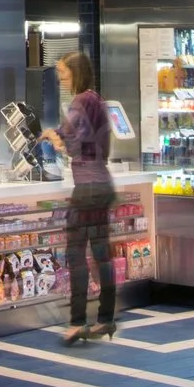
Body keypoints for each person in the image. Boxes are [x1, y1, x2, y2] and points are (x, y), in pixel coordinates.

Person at [43, 51, 118, 347]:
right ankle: (106, 317)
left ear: (75, 72)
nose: (61, 79)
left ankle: (76, 323)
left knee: (75, 254)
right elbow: (88, 141)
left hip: (87, 188)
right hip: (102, 185)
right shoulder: (96, 99)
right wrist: (58, 135)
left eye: (63, 73)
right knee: (101, 254)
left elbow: (74, 145)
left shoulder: (79, 101)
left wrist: (53, 138)